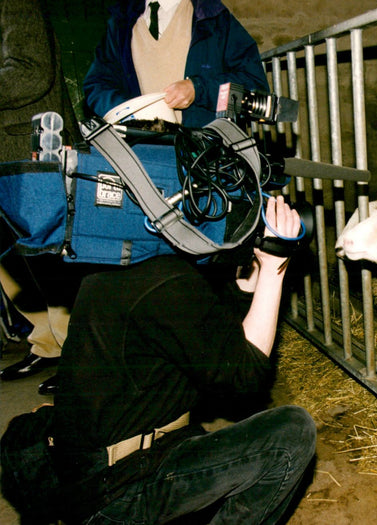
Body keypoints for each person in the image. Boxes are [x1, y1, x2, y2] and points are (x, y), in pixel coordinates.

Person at [51, 195, 316, 524]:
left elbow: (214, 339)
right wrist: (275, 266)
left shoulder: (132, 258)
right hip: (115, 492)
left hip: (101, 469)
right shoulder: (167, 281)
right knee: (291, 434)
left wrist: (253, 275)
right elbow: (245, 375)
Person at [0, 0, 83, 393]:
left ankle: (78, 352)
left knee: (47, 253)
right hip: (7, 151)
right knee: (11, 256)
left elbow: (32, 72)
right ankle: (46, 341)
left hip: (27, 150)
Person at [83, 0, 269, 128]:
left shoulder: (214, 18)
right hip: (143, 160)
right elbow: (97, 85)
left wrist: (198, 89)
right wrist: (131, 114)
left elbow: (256, 88)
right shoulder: (120, 25)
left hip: (203, 161)